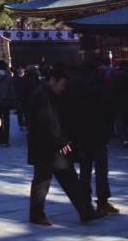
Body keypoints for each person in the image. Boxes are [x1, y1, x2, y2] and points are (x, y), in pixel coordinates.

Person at [27, 68, 97, 226]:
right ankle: (37, 214)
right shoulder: (41, 95)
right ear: (52, 80)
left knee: (69, 178)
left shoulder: (50, 95)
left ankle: (87, 212)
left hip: (54, 146)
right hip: (45, 146)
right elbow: (48, 122)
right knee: (43, 181)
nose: (62, 88)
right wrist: (61, 141)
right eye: (61, 84)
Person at [65, 63, 120, 217]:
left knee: (85, 168)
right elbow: (109, 110)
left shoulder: (73, 87)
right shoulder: (101, 87)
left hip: (81, 133)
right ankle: (102, 202)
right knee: (101, 169)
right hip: (99, 132)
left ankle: (84, 201)